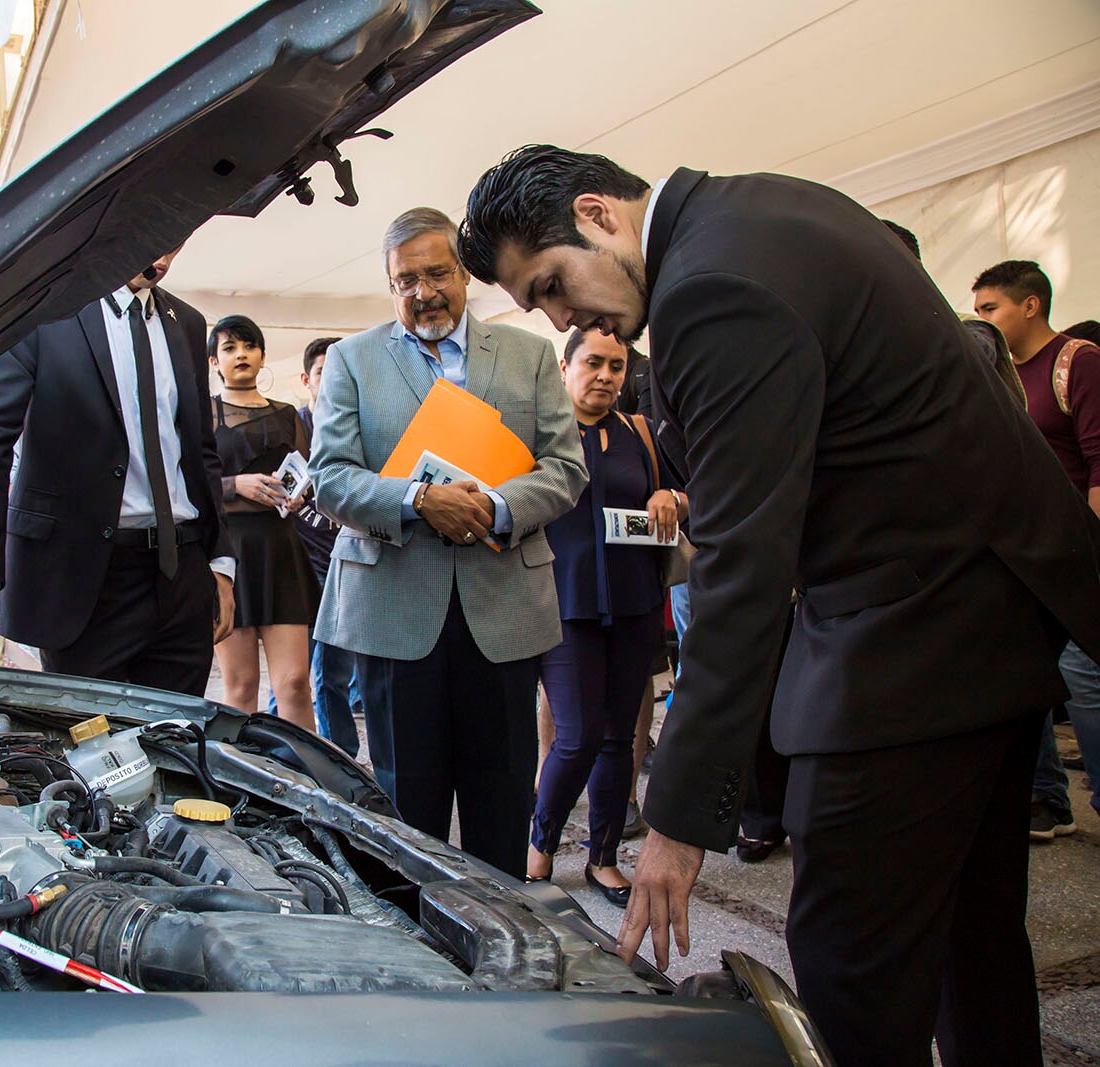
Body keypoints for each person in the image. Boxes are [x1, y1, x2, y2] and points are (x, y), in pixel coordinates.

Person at [460, 146, 1100, 1066]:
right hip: (986, 630)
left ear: (598, 213)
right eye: (542, 307)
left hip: (908, 654)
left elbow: (743, 564)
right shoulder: (766, 207)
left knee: (851, 975)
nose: (563, 316)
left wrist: (675, 820)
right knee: (976, 944)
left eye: (552, 283)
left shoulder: (709, 288)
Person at [310, 207, 585, 878]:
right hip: (396, 613)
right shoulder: (351, 360)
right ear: (389, 283)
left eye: (437, 273)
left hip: (503, 609)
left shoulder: (529, 355)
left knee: (502, 798)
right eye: (405, 280)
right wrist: (416, 499)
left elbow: (566, 467)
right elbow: (330, 478)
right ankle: (425, 955)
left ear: (465, 273)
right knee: (408, 809)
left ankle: (503, 951)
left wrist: (494, 507)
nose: (423, 292)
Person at [0, 247, 236, 694]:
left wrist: (220, 563)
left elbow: (200, 451)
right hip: (82, 581)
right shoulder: (39, 308)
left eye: (179, 237)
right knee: (94, 749)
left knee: (178, 742)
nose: (164, 252)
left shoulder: (187, 323)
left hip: (183, 574)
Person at [528, 326, 678, 903]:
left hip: (635, 602)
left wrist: (672, 499)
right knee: (578, 735)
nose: (606, 377)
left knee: (620, 738)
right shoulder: (540, 434)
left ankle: (604, 858)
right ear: (564, 368)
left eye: (617, 367)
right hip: (565, 606)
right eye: (593, 363)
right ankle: (538, 852)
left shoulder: (638, 431)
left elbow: (686, 493)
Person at [973, 261, 1100, 838]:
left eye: (990, 308)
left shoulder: (1078, 362)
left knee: (1082, 676)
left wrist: (1088, 546)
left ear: (1030, 305)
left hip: (1074, 546)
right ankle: (1048, 798)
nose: (983, 319)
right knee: (1025, 671)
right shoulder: (996, 372)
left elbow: (1098, 457)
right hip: (1022, 553)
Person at [206, 314, 320, 727]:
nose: (241, 355)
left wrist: (300, 494)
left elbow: (310, 474)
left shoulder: (288, 414)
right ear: (214, 362)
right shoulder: (204, 413)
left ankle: (306, 781)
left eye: (249, 346)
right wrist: (237, 484)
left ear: (262, 356)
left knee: (294, 683)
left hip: (281, 548)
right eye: (229, 348)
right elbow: (185, 485)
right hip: (228, 553)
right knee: (240, 686)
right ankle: (237, 783)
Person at [287, 336, 362, 755]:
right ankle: (290, 753)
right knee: (295, 675)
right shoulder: (292, 427)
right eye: (322, 374)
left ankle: (340, 760)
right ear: (306, 379)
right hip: (300, 567)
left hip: (347, 562)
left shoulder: (358, 428)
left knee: (331, 673)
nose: (331, 382)